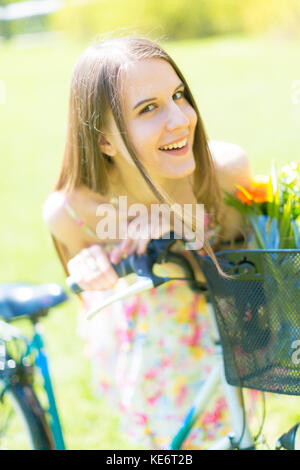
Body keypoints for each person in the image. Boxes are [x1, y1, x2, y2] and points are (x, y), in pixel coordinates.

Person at [42, 35, 252, 449]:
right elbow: (88, 287)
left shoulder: (223, 172)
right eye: (149, 108)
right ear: (104, 140)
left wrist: (176, 224)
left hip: (227, 338)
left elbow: (248, 278)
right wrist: (90, 266)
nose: (180, 118)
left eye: (178, 95)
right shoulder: (73, 210)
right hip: (150, 353)